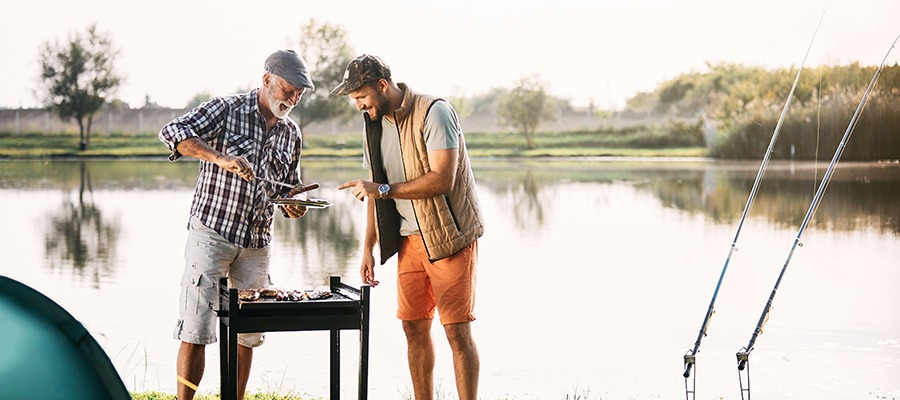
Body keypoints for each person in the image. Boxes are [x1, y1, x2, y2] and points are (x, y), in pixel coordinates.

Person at [158, 49, 314, 400]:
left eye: (299, 95)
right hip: (212, 233)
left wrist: (295, 206)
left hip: (257, 241)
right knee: (196, 327)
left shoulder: (292, 133)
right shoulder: (227, 109)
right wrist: (221, 159)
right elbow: (172, 132)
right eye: (288, 90)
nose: (293, 99)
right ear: (267, 80)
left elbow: (288, 187)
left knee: (248, 332)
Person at [334, 54, 485, 400]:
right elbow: (373, 189)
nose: (358, 105)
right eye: (354, 100)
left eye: (361, 97)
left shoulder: (435, 112)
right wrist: (367, 249)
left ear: (382, 85)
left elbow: (442, 179)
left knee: (456, 332)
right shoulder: (372, 123)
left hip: (449, 239)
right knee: (413, 327)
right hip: (408, 242)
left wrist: (384, 190)